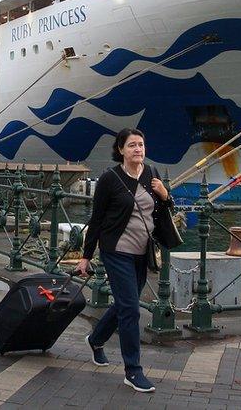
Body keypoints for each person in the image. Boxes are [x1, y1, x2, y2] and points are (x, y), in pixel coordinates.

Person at [73, 128, 173, 393]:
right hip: (116, 250)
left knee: (124, 305)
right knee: (131, 307)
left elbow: (163, 210)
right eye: (131, 146)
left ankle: (96, 339)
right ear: (120, 150)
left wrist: (164, 194)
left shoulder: (152, 173)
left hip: (143, 252)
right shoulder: (110, 179)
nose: (138, 149)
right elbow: (96, 220)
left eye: (141, 145)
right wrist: (85, 256)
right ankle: (133, 370)